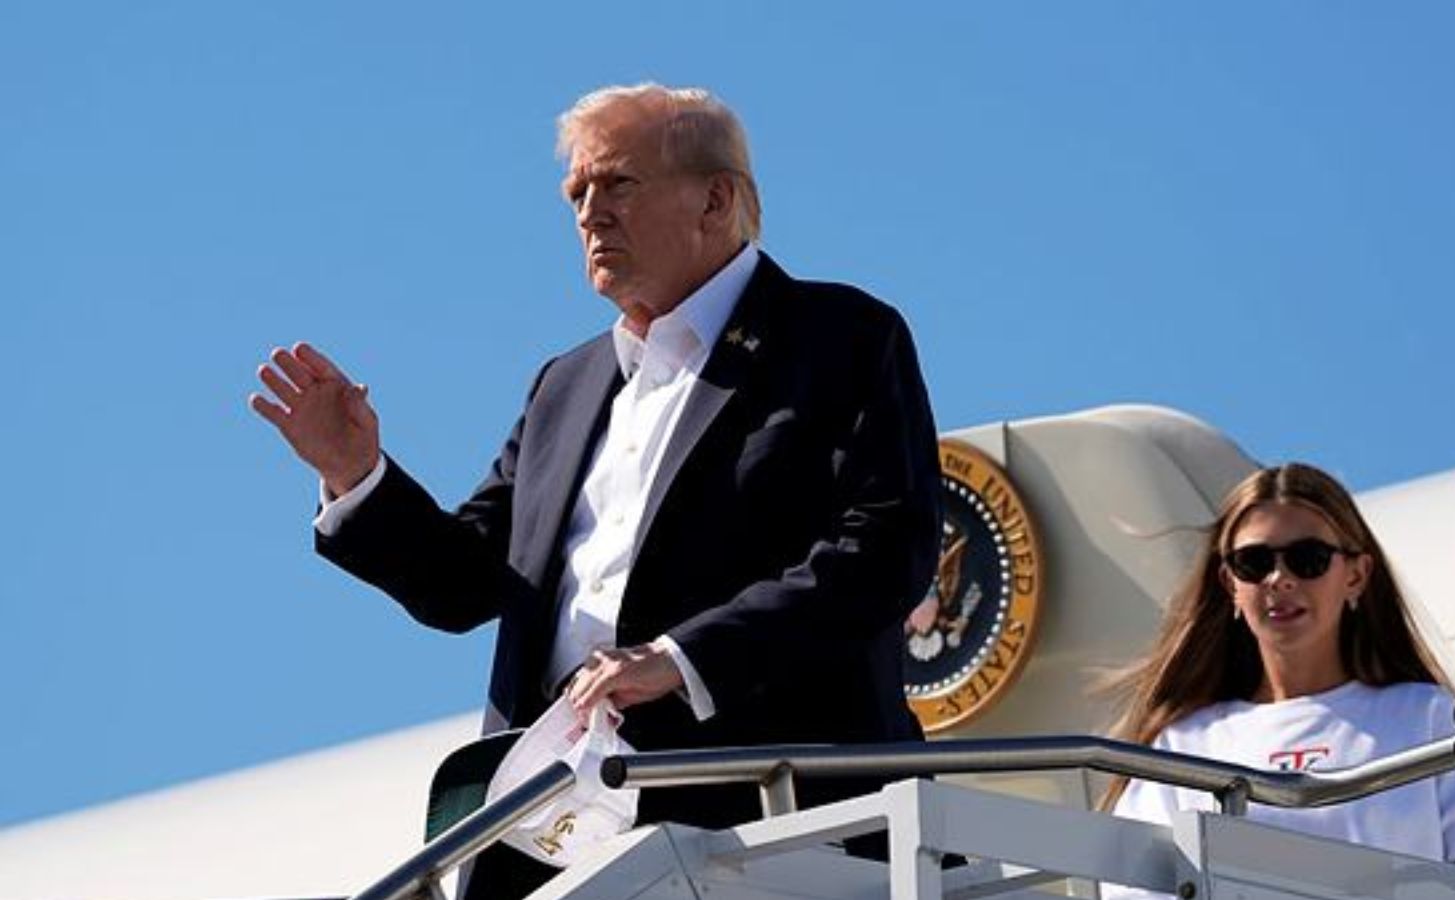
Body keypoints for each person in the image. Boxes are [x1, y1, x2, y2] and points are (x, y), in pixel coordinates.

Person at [250, 83, 940, 898]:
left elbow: (882, 552)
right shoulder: (566, 385)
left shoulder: (839, 337)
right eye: (576, 193)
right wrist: (355, 474)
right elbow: (464, 585)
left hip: (764, 820)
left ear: (715, 199)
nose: (589, 213)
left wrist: (679, 660)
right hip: (554, 835)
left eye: (618, 183)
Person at [1099, 462, 1455, 897]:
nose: (1279, 579)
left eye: (1308, 559)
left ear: (1356, 575)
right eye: (1254, 562)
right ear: (1230, 584)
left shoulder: (1428, 720)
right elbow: (1134, 891)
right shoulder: (1185, 745)